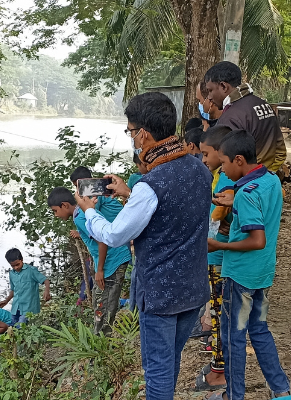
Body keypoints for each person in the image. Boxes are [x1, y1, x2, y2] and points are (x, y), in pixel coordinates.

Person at [75, 92, 212, 400]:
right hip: (192, 287)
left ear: (144, 134)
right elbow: (173, 213)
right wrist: (129, 193)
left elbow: (113, 236)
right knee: (170, 359)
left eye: (131, 132)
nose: (132, 140)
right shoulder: (200, 170)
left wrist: (88, 210)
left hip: (161, 295)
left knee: (158, 369)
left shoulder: (150, 185)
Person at [206, 130, 290, 400]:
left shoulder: (246, 193)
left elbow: (256, 240)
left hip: (240, 276)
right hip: (262, 274)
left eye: (224, 162)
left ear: (239, 160)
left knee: (234, 338)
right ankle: (281, 390)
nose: (223, 169)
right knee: (259, 330)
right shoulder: (270, 180)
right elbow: (261, 210)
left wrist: (220, 245)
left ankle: (234, 395)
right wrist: (235, 200)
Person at [49, 186, 132, 335]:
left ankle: (102, 345)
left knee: (104, 306)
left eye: (55, 210)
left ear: (65, 205)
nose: (56, 215)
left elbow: (102, 241)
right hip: (110, 260)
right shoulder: (81, 213)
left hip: (114, 260)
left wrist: (99, 270)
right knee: (99, 303)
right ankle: (100, 341)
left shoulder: (81, 217)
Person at [194, 125, 235, 392]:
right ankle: (218, 362)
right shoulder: (220, 175)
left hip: (218, 254)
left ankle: (220, 371)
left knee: (220, 314)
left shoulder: (227, 180)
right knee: (217, 312)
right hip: (216, 252)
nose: (203, 159)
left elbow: (219, 215)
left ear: (221, 153)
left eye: (206, 154)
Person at [204, 61, 287, 172]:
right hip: (267, 178)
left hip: (245, 182)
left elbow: (226, 160)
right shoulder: (263, 104)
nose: (209, 97)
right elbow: (280, 150)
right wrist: (269, 175)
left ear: (223, 86)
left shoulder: (231, 116)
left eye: (210, 90)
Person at [0, 248, 51, 325]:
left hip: (29, 307)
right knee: (12, 324)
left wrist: (47, 291)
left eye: (17, 264)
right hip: (16, 306)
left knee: (21, 325)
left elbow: (46, 281)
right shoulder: (12, 274)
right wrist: (6, 301)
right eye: (13, 266)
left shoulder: (31, 270)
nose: (16, 267)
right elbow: (13, 290)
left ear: (21, 260)